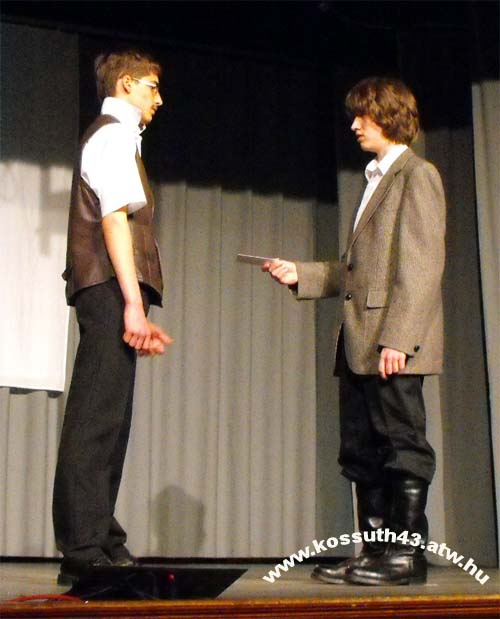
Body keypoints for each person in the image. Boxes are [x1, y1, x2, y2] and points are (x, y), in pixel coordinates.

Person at [263, 77, 446, 586]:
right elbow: (358, 271)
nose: (355, 125)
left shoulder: (417, 175)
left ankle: (405, 556)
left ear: (388, 115)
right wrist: (302, 274)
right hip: (360, 340)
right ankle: (375, 554)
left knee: (402, 446)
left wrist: (399, 339)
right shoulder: (375, 179)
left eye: (363, 115)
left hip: (391, 342)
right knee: (362, 452)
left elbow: (422, 266)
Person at [53, 50, 172, 585]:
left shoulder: (122, 137)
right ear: (125, 84)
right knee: (96, 420)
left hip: (110, 289)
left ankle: (100, 535)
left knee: (112, 422)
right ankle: (82, 546)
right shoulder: (113, 135)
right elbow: (114, 221)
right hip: (106, 287)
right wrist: (132, 303)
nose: (158, 98)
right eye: (151, 87)